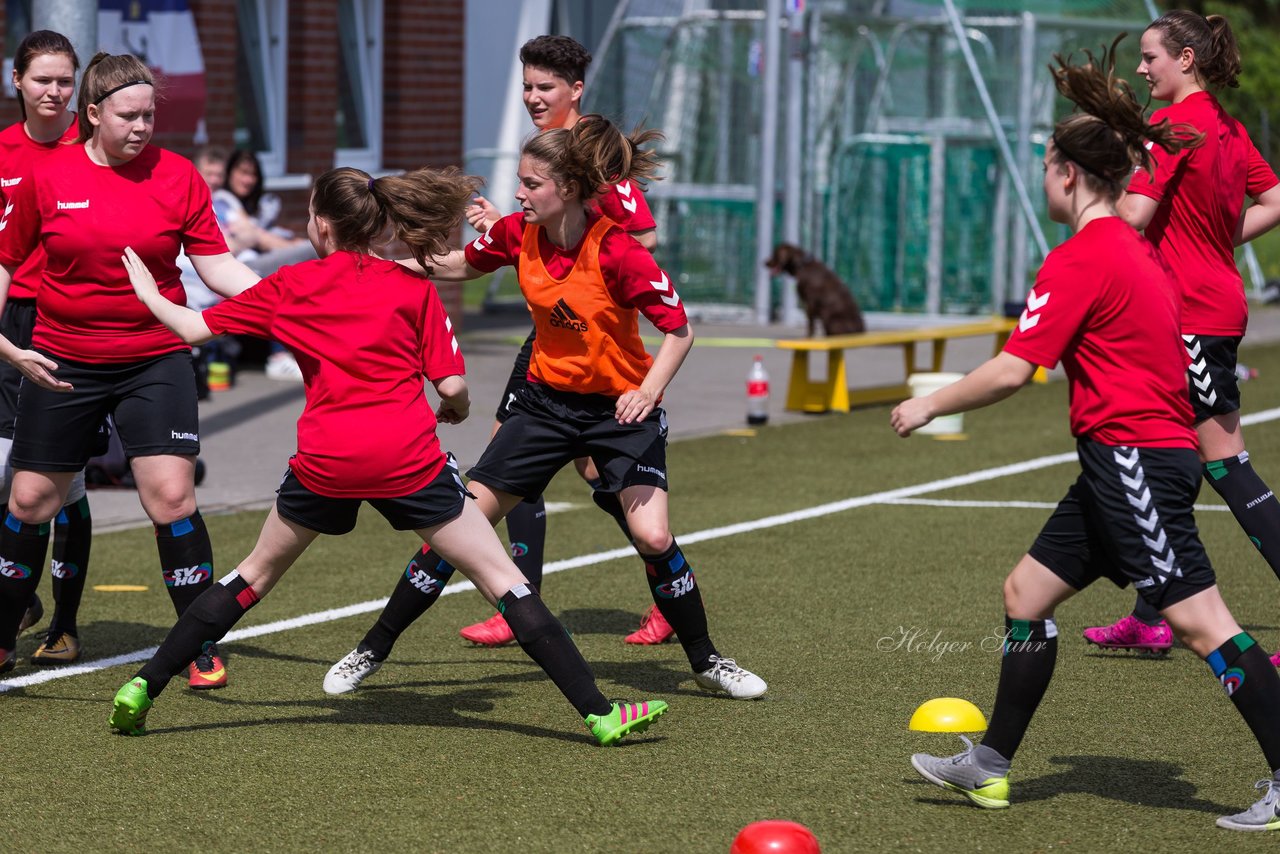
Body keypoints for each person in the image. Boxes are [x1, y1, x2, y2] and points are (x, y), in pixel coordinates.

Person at [108, 165, 669, 747]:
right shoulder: (414, 289)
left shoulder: (293, 283)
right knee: (504, 580)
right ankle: (599, 713)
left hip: (325, 462)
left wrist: (149, 293)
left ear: (321, 225)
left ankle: (144, 687)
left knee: (252, 576)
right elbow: (452, 388)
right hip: (406, 461)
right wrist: (455, 407)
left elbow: (194, 328)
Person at [895, 38, 1280, 831]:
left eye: (1045, 164)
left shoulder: (1081, 259)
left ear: (1067, 174)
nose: (1044, 177)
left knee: (1206, 624)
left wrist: (930, 405)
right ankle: (990, 766)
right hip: (1123, 462)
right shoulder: (1140, 253)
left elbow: (1012, 371)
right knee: (1025, 594)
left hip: (1136, 462)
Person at [323, 115, 766, 702]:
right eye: (520, 181)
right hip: (543, 406)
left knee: (653, 535)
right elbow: (456, 264)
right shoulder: (515, 233)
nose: (519, 193)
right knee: (460, 528)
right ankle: (370, 650)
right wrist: (382, 268)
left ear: (570, 190)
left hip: (617, 412)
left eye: (531, 184)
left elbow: (678, 330)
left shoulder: (619, 252)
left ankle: (709, 662)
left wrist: (649, 390)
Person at [0, 52, 260, 686]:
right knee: (31, 500)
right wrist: (6, 345)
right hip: (64, 359)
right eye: (128, 115)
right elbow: (6, 264)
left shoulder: (178, 177)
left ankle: (197, 643)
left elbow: (217, 266)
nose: (143, 126)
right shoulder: (49, 175)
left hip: (156, 356)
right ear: (93, 114)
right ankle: (4, 636)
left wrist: (285, 302)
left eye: (149, 114)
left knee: (172, 496)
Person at [451, 34, 675, 647]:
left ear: (576, 90)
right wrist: (508, 226)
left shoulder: (593, 158)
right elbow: (536, 231)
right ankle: (520, 599)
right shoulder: (545, 153)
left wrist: (580, 256)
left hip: (599, 342)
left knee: (578, 472)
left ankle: (666, 586)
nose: (531, 97)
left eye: (544, 87)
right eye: (526, 86)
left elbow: (643, 243)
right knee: (519, 463)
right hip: (553, 336)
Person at [1081, 11, 1280, 660]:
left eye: (1150, 57)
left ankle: (1158, 612)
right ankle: (1152, 613)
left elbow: (1134, 216)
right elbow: (1273, 200)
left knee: (1224, 463)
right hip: (1211, 306)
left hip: (1189, 315)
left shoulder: (1169, 128)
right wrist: (1216, 241)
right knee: (1173, 458)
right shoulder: (1225, 124)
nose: (1141, 69)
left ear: (1186, 59)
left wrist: (1088, 211)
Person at [0, 30, 93, 666]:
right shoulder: (1, 151)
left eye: (65, 80)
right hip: (11, 322)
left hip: (70, 325)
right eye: (43, 80)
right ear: (18, 82)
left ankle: (62, 621)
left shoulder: (92, 151)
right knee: (10, 475)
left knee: (71, 486)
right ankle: (17, 599)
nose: (54, 92)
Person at [215, 148, 317, 381]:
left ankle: (298, 352)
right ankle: (279, 357)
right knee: (310, 252)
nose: (248, 180)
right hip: (239, 271)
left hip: (257, 266)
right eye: (243, 173)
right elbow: (259, 238)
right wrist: (291, 247)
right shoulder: (223, 202)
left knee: (301, 274)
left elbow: (261, 235)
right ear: (229, 173)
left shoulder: (257, 206)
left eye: (253, 175)